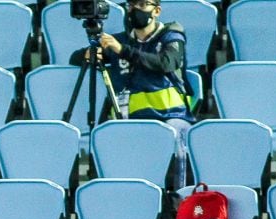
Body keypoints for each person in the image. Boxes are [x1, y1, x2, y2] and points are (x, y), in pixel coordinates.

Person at [72, 0, 196, 188]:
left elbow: (166, 62)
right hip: (127, 119)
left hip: (170, 116)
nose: (135, 10)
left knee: (179, 142)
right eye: (131, 5)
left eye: (142, 4)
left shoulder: (170, 36)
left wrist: (122, 51)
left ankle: (179, 199)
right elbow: (74, 58)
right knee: (104, 144)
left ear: (156, 11)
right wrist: (89, 54)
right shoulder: (119, 40)